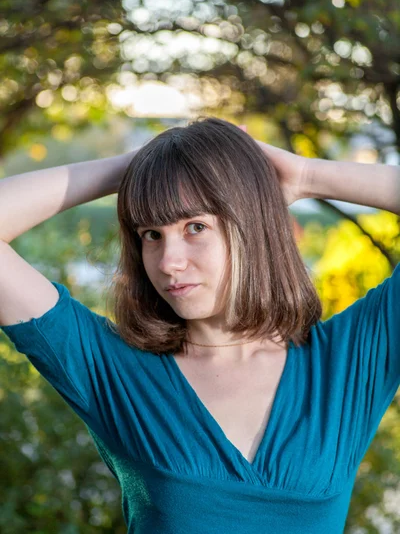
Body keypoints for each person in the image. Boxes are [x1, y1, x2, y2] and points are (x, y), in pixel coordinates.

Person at [0, 117, 399, 533]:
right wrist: (139, 168)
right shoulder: (112, 369)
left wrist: (305, 175)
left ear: (253, 226)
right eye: (152, 234)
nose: (169, 261)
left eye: (195, 227)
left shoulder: (348, 363)